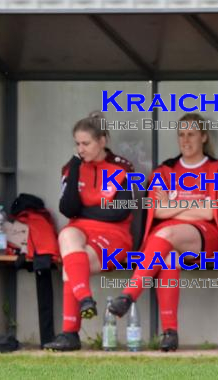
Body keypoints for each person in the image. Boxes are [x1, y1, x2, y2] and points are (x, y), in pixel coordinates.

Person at [108, 113, 218, 352]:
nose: (186, 140)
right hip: (168, 239)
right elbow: (158, 212)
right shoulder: (164, 171)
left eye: (192, 134)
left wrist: (173, 206)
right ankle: (170, 333)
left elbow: (210, 212)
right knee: (167, 256)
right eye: (181, 135)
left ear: (204, 137)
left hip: (206, 239)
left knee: (166, 236)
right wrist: (192, 205)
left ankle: (130, 294)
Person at [44, 112, 134, 351]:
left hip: (114, 236)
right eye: (77, 143)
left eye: (86, 143)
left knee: (72, 265)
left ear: (102, 141)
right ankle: (85, 299)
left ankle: (70, 333)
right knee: (66, 237)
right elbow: (68, 209)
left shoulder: (123, 167)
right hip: (80, 232)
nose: (80, 149)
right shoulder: (71, 167)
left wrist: (83, 212)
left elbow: (119, 213)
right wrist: (75, 169)